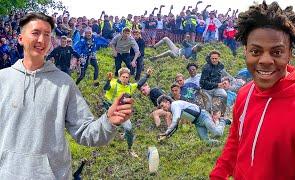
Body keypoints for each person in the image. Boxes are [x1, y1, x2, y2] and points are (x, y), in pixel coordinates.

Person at [0, 12, 133, 179]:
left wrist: (108, 121)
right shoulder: (2, 80)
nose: (41, 40)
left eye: (47, 35)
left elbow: (85, 131)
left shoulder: (65, 84)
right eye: (35, 33)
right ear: (20, 38)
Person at [210, 1, 295, 179]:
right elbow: (235, 142)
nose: (265, 60)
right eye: (255, 51)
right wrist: (218, 174)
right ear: (245, 51)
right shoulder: (244, 94)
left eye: (277, 52)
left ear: (290, 53)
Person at [103, 67, 151, 157]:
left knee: (129, 128)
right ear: (120, 77)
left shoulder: (130, 87)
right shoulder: (114, 83)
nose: (125, 79)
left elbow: (139, 83)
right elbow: (106, 87)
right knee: (108, 127)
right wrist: (108, 81)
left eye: (127, 77)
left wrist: (147, 75)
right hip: (111, 108)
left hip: (122, 111)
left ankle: (130, 149)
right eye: (123, 77)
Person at [157, 95, 226, 145]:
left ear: (168, 102)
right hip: (197, 123)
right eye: (161, 107)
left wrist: (166, 133)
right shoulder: (173, 110)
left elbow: (176, 120)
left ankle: (223, 121)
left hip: (203, 116)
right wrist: (167, 135)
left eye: (163, 105)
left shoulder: (175, 105)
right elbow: (176, 126)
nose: (163, 108)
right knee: (206, 142)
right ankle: (221, 144)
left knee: (217, 133)